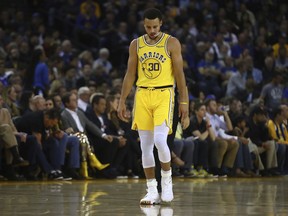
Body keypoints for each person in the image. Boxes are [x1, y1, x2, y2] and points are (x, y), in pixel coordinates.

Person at [117, 8, 188, 205]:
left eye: (155, 26)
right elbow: (130, 74)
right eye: (148, 27)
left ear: (161, 23)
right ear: (144, 25)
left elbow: (180, 75)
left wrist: (185, 103)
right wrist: (122, 100)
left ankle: (167, 180)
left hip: (164, 93)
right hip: (142, 94)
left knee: (159, 140)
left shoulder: (171, 42)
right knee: (145, 146)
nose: (152, 30)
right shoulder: (136, 44)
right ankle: (151, 190)